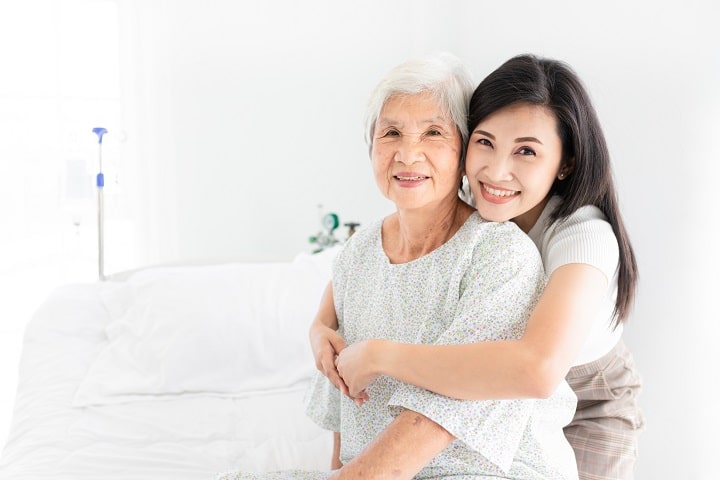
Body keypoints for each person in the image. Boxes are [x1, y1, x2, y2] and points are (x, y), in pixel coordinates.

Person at [218, 53, 579, 480]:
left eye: (433, 133)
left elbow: (439, 414)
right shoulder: (358, 253)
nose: (409, 154)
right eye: (391, 132)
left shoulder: (499, 254)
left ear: (462, 148)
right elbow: (345, 402)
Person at [310, 54, 644, 480]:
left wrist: (381, 356)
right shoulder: (475, 194)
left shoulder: (581, 237)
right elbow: (358, 271)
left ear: (566, 164)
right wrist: (321, 325)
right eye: (486, 142)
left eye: (527, 151)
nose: (497, 171)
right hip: (513, 392)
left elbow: (536, 370)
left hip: (590, 388)